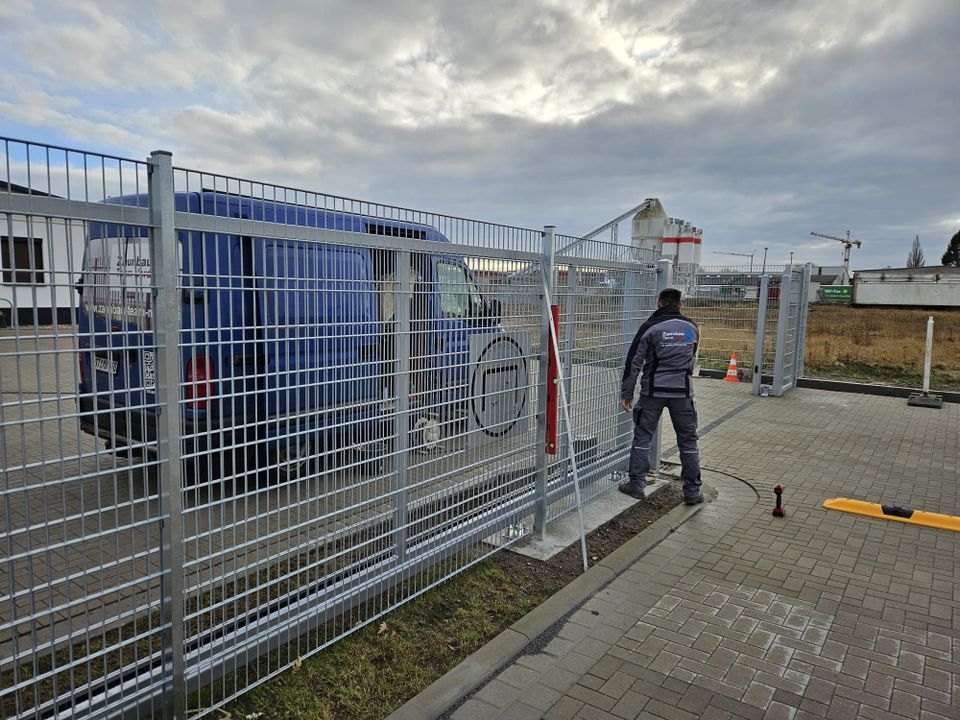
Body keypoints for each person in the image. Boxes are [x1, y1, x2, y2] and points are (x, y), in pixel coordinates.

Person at [619, 287, 702, 504]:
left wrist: (627, 393)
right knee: (688, 442)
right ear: (679, 305)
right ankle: (692, 492)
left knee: (643, 437)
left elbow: (633, 362)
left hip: (652, 393)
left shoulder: (650, 327)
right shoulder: (691, 328)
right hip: (682, 393)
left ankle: (636, 485)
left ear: (659, 304)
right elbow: (691, 357)